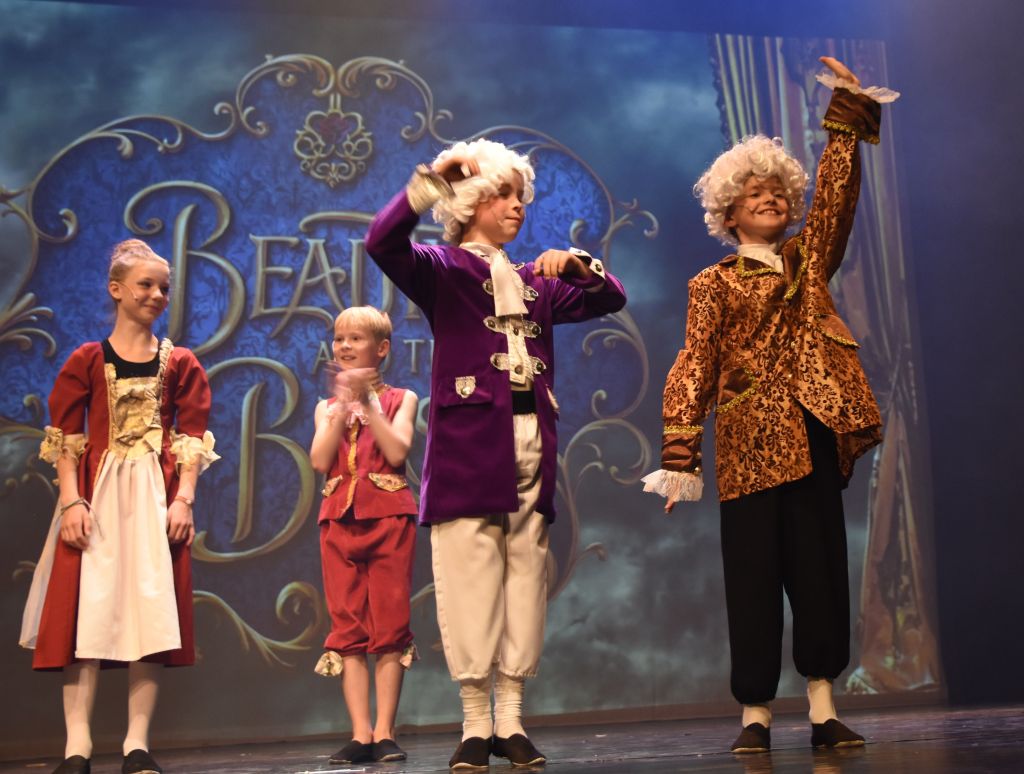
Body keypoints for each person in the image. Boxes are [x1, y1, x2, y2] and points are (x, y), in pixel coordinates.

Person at [643, 57, 898, 753]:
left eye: (778, 190)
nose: (769, 198)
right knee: (753, 580)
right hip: (748, 449)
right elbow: (694, 363)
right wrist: (680, 457)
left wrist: (845, 115)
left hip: (811, 433)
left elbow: (837, 201)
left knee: (819, 574)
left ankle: (823, 709)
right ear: (728, 213)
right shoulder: (711, 284)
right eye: (753, 192)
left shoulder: (806, 263)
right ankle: (754, 716)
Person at [365, 138, 627, 769]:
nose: (517, 206)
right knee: (470, 575)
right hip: (469, 447)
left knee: (525, 577)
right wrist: (432, 182)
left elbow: (610, 297)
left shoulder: (536, 282)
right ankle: (475, 722)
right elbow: (382, 242)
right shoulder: (443, 269)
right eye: (502, 194)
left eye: (519, 196)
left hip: (533, 440)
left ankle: (510, 719)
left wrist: (579, 266)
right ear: (473, 202)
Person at [20, 239, 218, 774]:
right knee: (86, 613)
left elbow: (191, 437)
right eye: (145, 285)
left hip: (155, 498)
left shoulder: (179, 362)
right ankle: (77, 748)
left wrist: (184, 499)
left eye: (163, 287)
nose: (156, 295)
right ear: (117, 290)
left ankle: (137, 744)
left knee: (148, 615)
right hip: (99, 497)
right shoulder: (88, 359)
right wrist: (72, 502)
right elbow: (66, 438)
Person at [309, 306, 419, 765]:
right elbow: (320, 460)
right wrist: (341, 405)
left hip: (388, 518)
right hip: (339, 520)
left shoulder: (402, 399)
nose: (345, 346)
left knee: (390, 622)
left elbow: (396, 450)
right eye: (340, 339)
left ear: (382, 348)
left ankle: (385, 730)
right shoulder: (325, 407)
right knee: (347, 625)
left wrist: (368, 403)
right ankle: (360, 733)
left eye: (356, 339)